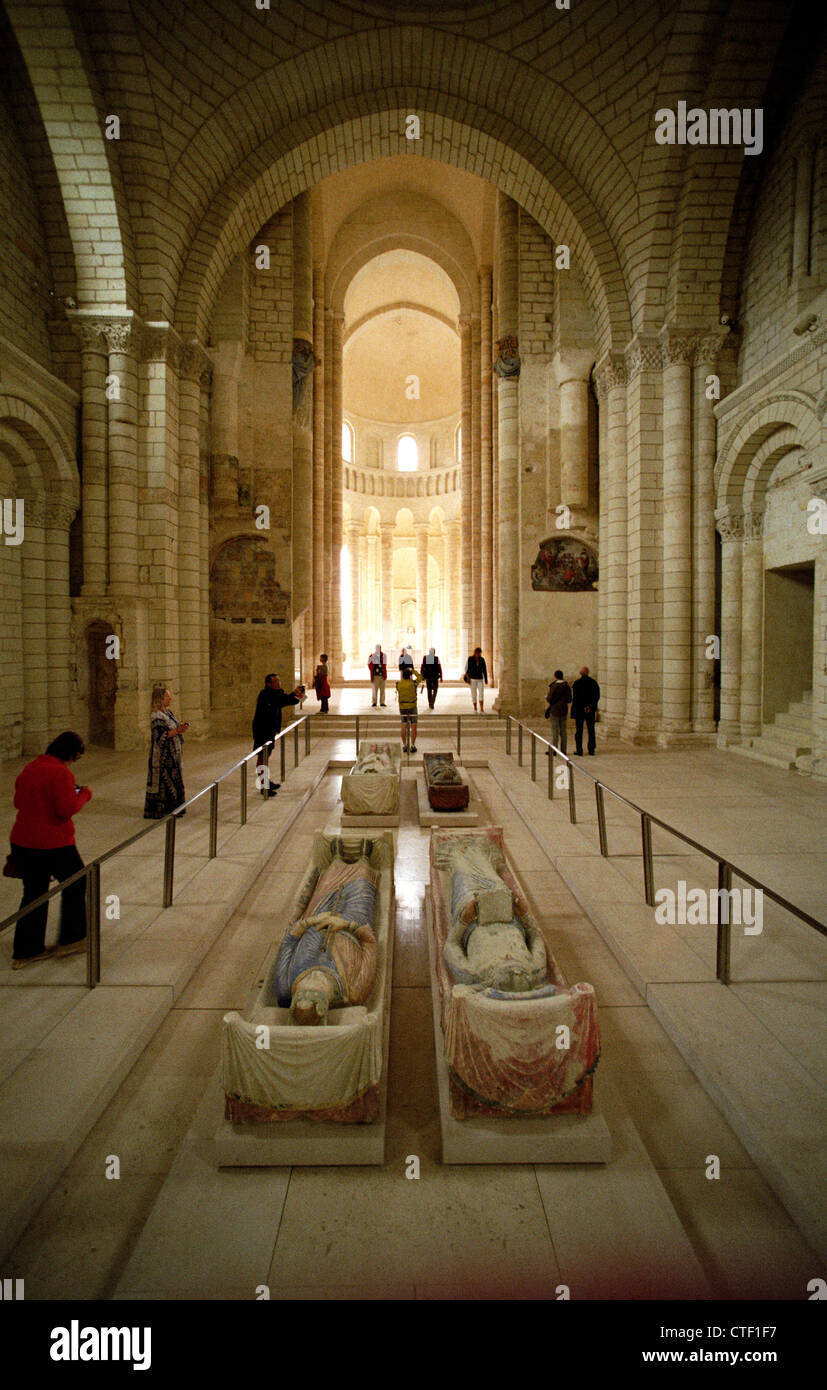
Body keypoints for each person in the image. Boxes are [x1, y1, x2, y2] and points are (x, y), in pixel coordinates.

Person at [8, 731, 92, 970]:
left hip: (23, 841)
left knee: (34, 893)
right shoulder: (60, 772)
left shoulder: (31, 767)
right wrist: (84, 794)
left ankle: (26, 950)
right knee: (76, 883)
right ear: (71, 754)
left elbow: (18, 802)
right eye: (76, 757)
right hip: (53, 843)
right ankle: (71, 939)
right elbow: (65, 809)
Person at [252, 672, 304, 796]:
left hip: (269, 730)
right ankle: (264, 785)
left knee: (266, 755)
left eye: (279, 680)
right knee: (262, 757)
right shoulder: (265, 694)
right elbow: (280, 701)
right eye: (275, 681)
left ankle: (266, 781)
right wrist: (294, 694)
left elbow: (287, 700)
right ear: (268, 684)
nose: (278, 683)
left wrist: (297, 695)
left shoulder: (275, 693)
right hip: (262, 730)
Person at [144, 684, 189, 818]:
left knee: (175, 780)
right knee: (166, 782)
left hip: (173, 755)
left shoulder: (168, 712)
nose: (170, 699)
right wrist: (178, 731)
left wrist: (180, 728)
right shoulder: (156, 716)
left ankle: (175, 808)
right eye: (167, 697)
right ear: (160, 699)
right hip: (163, 757)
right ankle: (163, 809)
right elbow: (160, 736)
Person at [571, 665, 601, 755]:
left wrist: (582, 706)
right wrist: (589, 706)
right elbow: (596, 696)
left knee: (579, 731)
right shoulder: (593, 683)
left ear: (580, 673)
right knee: (591, 730)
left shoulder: (577, 683)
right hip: (590, 710)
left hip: (579, 710)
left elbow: (576, 697)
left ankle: (579, 750)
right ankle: (591, 749)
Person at [545, 669, 572, 754]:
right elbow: (569, 699)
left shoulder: (554, 686)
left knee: (555, 731)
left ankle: (554, 750)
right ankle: (563, 750)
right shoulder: (566, 686)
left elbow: (550, 699)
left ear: (555, 676)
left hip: (555, 710)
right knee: (563, 731)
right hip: (564, 709)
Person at [396, 664, 421, 752]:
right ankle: (413, 745)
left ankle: (404, 745)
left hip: (402, 707)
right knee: (413, 726)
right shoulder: (413, 683)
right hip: (412, 706)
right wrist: (413, 671)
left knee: (403, 725)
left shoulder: (398, 684)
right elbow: (420, 677)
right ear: (410, 675)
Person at [464, 647, 488, 711]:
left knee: (481, 693)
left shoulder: (482, 659)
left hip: (480, 679)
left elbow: (484, 669)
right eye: (477, 653)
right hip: (473, 679)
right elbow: (466, 669)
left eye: (479, 653)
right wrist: (468, 678)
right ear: (474, 653)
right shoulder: (470, 659)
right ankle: (475, 707)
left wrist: (486, 679)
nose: (478, 654)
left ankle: (481, 708)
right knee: (474, 694)